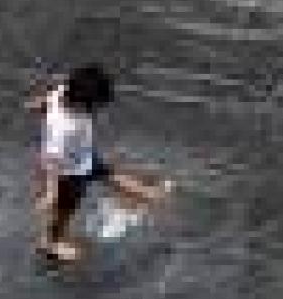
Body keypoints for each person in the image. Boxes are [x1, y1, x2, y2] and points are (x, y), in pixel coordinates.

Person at [25, 64, 173, 264]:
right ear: (84, 104)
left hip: (83, 157)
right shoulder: (62, 128)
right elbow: (51, 162)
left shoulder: (63, 91)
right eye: (97, 106)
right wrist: (51, 191)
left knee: (108, 174)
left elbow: (49, 99)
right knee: (65, 209)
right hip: (69, 174)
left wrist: (37, 104)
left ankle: (147, 193)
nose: (98, 110)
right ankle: (51, 243)